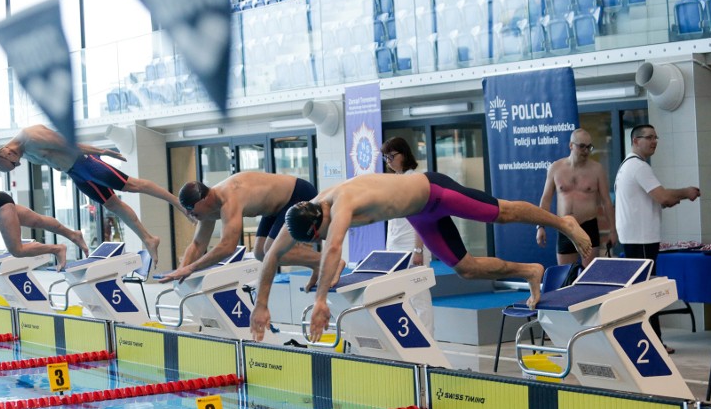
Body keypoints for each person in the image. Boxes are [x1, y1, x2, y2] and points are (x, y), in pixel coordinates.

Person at [249, 172, 592, 343]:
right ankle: (531, 271)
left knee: (501, 214)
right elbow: (269, 257)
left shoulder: (340, 205)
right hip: (420, 214)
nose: (323, 237)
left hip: (435, 192)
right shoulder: (304, 216)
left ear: (320, 218)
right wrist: (261, 304)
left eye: (320, 233)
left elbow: (336, 249)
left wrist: (322, 301)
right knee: (467, 269)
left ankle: (563, 222)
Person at [0, 124, 191, 266]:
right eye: (15, 166)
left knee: (132, 185)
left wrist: (103, 152)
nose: (18, 164)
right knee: (112, 205)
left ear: (8, 153)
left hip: (86, 164)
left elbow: (70, 145)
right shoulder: (23, 152)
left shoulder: (32, 136)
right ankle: (148, 239)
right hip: (75, 174)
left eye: (14, 163)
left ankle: (177, 202)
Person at [159, 173, 332, 287]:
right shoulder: (207, 211)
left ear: (204, 200)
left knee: (270, 251)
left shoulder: (229, 198)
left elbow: (228, 246)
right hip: (274, 208)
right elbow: (197, 244)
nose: (190, 214)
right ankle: (318, 262)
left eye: (191, 209)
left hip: (297, 194)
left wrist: (192, 268)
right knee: (260, 253)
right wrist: (181, 270)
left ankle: (328, 261)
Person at [614, 124, 700, 353]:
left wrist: (672, 198)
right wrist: (686, 192)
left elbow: (661, 200)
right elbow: (662, 196)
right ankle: (652, 343)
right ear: (635, 141)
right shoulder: (638, 167)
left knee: (642, 291)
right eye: (648, 137)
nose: (654, 141)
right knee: (645, 293)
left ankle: (648, 341)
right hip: (640, 240)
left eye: (656, 137)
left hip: (635, 238)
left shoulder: (628, 165)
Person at [537, 128, 617, 267]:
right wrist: (540, 226)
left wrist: (612, 231)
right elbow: (546, 199)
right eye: (582, 146)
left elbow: (606, 202)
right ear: (571, 145)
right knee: (566, 275)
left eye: (589, 147)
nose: (586, 151)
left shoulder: (596, 169)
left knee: (588, 275)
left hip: (588, 225)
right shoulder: (555, 168)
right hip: (565, 226)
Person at [381, 137, 434, 333]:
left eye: (392, 156)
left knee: (419, 297)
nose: (388, 161)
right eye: (385, 157)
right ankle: (411, 340)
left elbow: (421, 218)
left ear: (404, 154)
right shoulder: (394, 180)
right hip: (395, 248)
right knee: (401, 298)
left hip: (412, 247)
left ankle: (428, 342)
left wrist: (418, 249)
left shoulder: (415, 179)